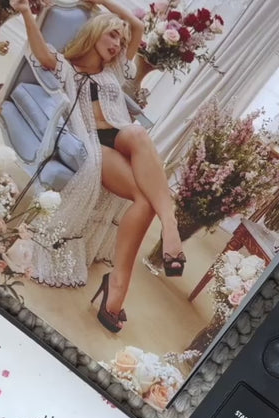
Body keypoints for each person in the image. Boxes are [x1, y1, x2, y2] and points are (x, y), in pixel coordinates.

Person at [13, 0, 186, 333]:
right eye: (111, 36)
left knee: (137, 132)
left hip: (120, 135)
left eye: (120, 41)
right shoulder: (67, 67)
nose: (117, 45)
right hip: (95, 144)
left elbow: (137, 27)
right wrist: (24, 12)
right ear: (94, 33)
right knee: (143, 200)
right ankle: (117, 286)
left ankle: (170, 225)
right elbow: (41, 51)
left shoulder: (114, 70)